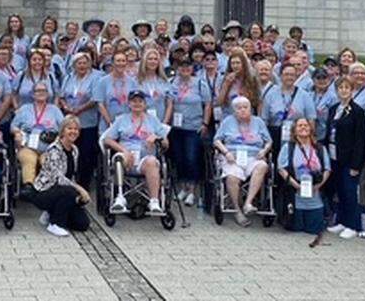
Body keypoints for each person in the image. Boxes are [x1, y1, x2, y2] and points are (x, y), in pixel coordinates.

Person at [102, 90, 170, 215]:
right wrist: (124, 150)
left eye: (140, 101)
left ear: (145, 104)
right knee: (118, 158)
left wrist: (156, 137)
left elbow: (166, 143)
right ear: (129, 103)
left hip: (144, 160)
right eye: (134, 101)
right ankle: (120, 198)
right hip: (127, 157)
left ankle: (154, 201)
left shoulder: (153, 120)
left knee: (152, 162)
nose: (137, 104)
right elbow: (107, 139)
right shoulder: (121, 120)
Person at [213, 96, 271, 226]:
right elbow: (216, 140)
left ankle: (248, 203)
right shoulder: (228, 121)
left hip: (254, 157)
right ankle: (237, 210)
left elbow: (269, 141)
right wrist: (226, 152)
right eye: (239, 108)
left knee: (262, 166)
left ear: (251, 109)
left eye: (246, 107)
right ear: (234, 111)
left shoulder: (258, 122)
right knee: (232, 177)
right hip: (233, 157)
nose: (243, 110)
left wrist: (264, 151)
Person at [32, 116, 92, 237]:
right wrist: (80, 189)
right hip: (45, 191)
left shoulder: (75, 150)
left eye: (76, 129)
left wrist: (79, 198)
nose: (73, 131)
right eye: (69, 128)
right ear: (62, 130)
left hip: (64, 192)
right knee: (69, 191)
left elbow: (71, 175)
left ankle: (52, 212)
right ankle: (55, 224)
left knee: (83, 224)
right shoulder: (54, 149)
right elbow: (58, 178)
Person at [324, 76, 365, 240]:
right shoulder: (334, 108)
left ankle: (353, 225)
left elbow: (360, 139)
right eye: (340, 87)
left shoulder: (357, 111)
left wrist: (356, 164)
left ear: (352, 90)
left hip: (349, 158)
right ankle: (342, 220)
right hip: (334, 155)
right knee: (340, 190)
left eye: (347, 88)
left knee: (350, 191)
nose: (343, 90)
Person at [277, 118, 332, 237]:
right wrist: (295, 184)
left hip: (315, 194)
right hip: (295, 194)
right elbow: (281, 168)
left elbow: (327, 169)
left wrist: (319, 185)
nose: (303, 127)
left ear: (311, 129)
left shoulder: (320, 148)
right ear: (294, 130)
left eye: (306, 125)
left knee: (314, 230)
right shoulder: (289, 147)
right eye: (299, 125)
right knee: (296, 229)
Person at [167, 57, 211, 206]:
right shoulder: (173, 82)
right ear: (178, 68)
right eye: (182, 67)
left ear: (192, 69)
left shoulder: (199, 83)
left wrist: (205, 123)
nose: (185, 70)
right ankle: (183, 187)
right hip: (177, 127)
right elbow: (170, 103)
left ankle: (192, 190)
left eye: (188, 67)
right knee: (179, 159)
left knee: (191, 158)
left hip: (194, 127)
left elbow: (208, 104)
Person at [58, 51, 101, 190]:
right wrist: (66, 107)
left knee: (86, 154)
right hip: (70, 121)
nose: (82, 65)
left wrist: (79, 109)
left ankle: (83, 184)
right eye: (79, 63)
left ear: (89, 64)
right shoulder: (69, 77)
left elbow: (95, 99)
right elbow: (62, 96)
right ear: (74, 65)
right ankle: (67, 181)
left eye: (84, 62)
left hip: (88, 122)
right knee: (68, 151)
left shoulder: (96, 77)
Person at [11, 82, 65, 189]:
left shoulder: (54, 110)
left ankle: (47, 186)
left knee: (47, 161)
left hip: (48, 147)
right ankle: (29, 187)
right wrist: (17, 133)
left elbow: (63, 127)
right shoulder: (25, 109)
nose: (41, 93)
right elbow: (13, 125)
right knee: (29, 159)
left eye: (44, 91)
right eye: (38, 91)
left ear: (48, 94)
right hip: (28, 146)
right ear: (33, 94)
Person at [261, 65, 316, 156]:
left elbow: (311, 119)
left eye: (292, 75)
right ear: (281, 76)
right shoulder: (271, 94)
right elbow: (264, 119)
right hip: (275, 132)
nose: (289, 77)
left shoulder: (304, 95)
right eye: (286, 74)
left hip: (297, 133)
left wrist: (311, 138)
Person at [95, 51, 140, 129]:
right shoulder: (103, 81)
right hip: (107, 125)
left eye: (123, 61)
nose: (121, 63)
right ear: (112, 63)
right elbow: (100, 104)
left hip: (128, 125)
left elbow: (135, 102)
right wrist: (109, 122)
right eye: (118, 61)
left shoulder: (132, 82)